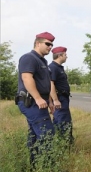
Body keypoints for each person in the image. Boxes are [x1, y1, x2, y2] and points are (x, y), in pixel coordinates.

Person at [15, 32, 61, 167]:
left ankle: (35, 166)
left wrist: (50, 102)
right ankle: (47, 166)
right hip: (31, 102)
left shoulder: (43, 61)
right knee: (47, 134)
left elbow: (45, 83)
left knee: (35, 135)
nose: (50, 47)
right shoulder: (29, 58)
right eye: (47, 44)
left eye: (52, 44)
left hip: (40, 102)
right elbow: (27, 78)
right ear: (38, 43)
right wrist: (38, 98)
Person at [48, 46, 74, 144]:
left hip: (63, 98)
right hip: (60, 99)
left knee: (63, 120)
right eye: (65, 55)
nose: (66, 57)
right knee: (63, 121)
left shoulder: (58, 67)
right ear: (59, 55)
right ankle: (64, 144)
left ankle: (64, 142)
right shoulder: (53, 67)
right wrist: (55, 100)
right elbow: (51, 84)